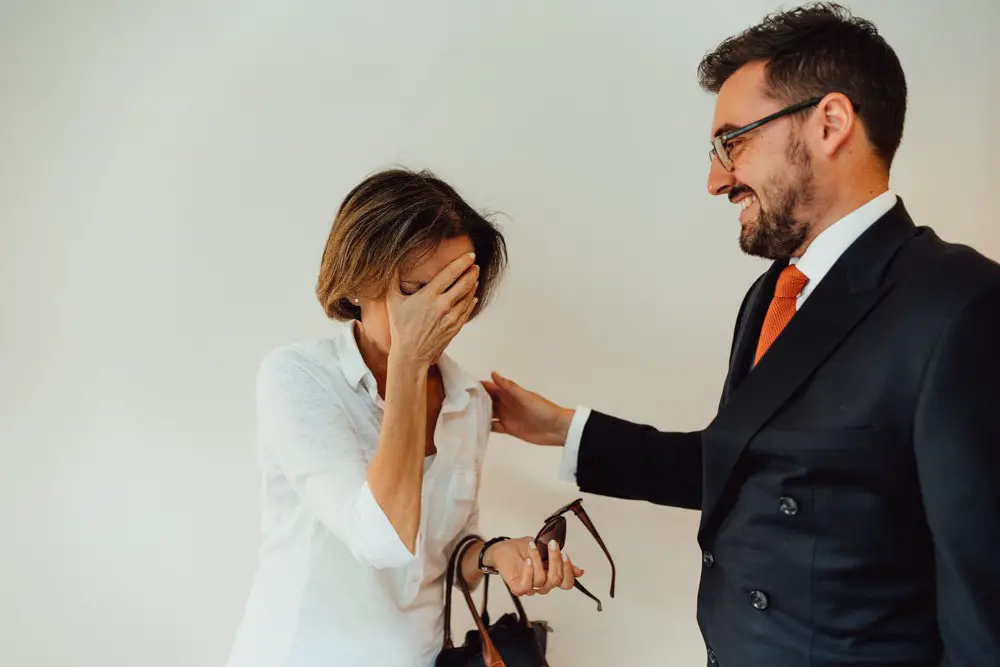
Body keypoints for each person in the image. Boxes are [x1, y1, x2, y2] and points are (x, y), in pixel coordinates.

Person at [484, 4, 1000, 666]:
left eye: (733, 141)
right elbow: (746, 464)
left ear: (830, 123)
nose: (715, 179)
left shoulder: (963, 308)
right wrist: (562, 426)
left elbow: (986, 609)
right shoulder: (772, 293)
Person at [224, 168, 583, 667]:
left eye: (454, 290)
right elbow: (380, 538)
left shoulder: (467, 401)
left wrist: (495, 552)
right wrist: (409, 363)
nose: (437, 313)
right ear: (360, 279)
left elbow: (445, 549)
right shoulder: (298, 378)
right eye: (416, 290)